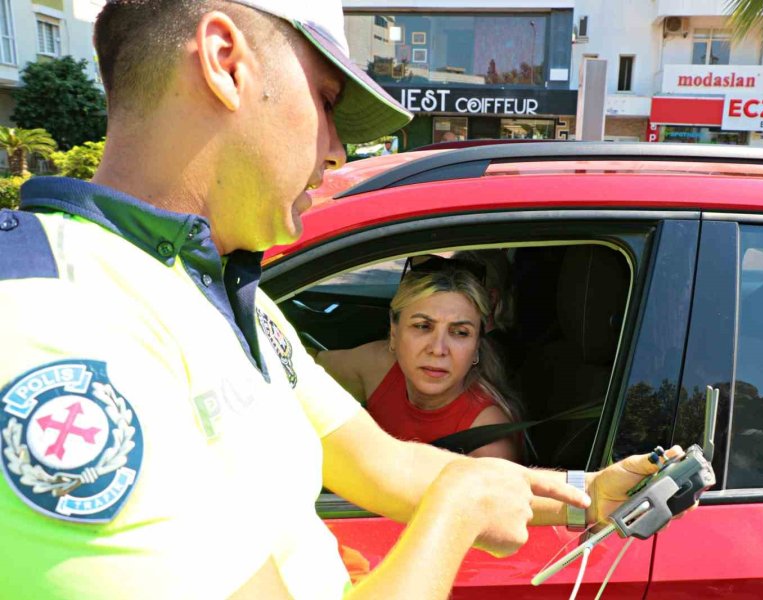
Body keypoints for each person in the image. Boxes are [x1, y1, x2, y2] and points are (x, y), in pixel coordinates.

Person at [0, 1, 684, 598]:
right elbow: (438, 489)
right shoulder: (58, 331)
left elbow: (386, 462)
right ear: (224, 62)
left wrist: (584, 496)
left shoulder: (224, 294)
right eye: (327, 103)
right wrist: (457, 513)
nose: (336, 151)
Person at [317, 256, 521, 461]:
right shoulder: (379, 365)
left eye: (460, 332)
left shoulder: (488, 444)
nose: (438, 349)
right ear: (394, 331)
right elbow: (305, 368)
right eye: (423, 326)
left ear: (477, 345)